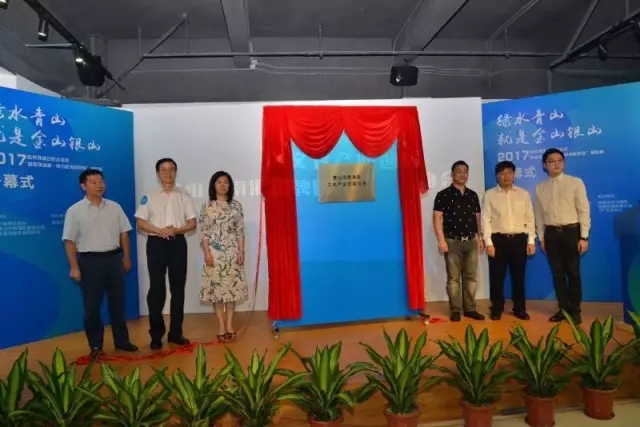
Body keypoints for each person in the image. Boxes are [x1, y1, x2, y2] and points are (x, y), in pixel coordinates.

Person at [62, 168, 138, 359]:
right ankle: (96, 345)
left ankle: (122, 341)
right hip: (89, 262)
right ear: (83, 186)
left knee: (118, 304)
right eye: (93, 182)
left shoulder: (115, 207)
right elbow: (69, 240)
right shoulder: (74, 211)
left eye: (101, 181)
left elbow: (124, 234)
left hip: (114, 260)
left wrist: (126, 257)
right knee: (92, 307)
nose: (99, 185)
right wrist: (74, 266)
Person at [135, 158, 197, 349]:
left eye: (171, 169)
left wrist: (176, 230)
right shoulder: (149, 195)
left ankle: (176, 333)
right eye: (163, 169)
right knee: (156, 289)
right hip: (156, 244)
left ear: (175, 172)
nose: (168, 173)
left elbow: (192, 223)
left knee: (178, 289)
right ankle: (156, 334)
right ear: (158, 173)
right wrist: (159, 230)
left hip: (178, 243)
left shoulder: (184, 195)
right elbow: (140, 222)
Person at [534, 148, 590, 324]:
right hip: (551, 234)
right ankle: (563, 309)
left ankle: (575, 310)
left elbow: (583, 210)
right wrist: (541, 238)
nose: (556, 164)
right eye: (551, 161)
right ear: (545, 165)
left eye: (560, 160)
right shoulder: (540, 187)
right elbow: (539, 215)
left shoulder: (575, 182)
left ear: (564, 163)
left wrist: (584, 237)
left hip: (571, 232)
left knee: (573, 273)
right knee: (557, 274)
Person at [482, 161, 536, 321]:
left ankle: (519, 308)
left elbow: (530, 219)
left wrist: (531, 241)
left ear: (514, 175)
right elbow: (485, 220)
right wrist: (488, 242)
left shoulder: (523, 194)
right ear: (497, 176)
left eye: (509, 172)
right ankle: (496, 308)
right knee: (497, 277)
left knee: (518, 277)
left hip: (519, 239)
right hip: (498, 240)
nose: (506, 176)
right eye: (502, 173)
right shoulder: (489, 195)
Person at [198, 171, 248, 342]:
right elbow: (204, 233)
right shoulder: (206, 206)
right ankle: (221, 325)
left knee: (231, 290)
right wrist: (206, 253)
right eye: (219, 182)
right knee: (217, 292)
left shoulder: (237, 206)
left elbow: (240, 232)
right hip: (214, 254)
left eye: (225, 182)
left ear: (230, 185)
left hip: (232, 253)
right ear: (213, 185)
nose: (222, 185)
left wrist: (241, 252)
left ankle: (230, 325)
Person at [433, 161, 485, 322]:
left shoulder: (473, 195)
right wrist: (441, 241)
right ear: (452, 174)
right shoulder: (443, 195)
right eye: (459, 171)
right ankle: (455, 309)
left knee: (471, 277)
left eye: (465, 172)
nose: (462, 174)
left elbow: (477, 219)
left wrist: (480, 237)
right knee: (453, 278)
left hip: (471, 241)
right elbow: (437, 219)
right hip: (452, 242)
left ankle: (470, 309)